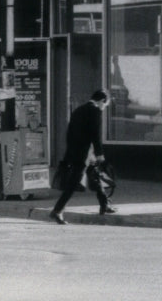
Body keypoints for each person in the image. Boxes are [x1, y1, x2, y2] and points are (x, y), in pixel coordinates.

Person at [49, 89, 116, 225]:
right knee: (74, 182)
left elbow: (69, 133)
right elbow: (95, 135)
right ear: (102, 101)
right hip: (84, 153)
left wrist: (71, 153)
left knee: (94, 175)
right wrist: (99, 154)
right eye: (105, 105)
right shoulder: (95, 111)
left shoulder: (78, 110)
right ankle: (57, 210)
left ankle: (105, 204)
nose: (104, 108)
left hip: (76, 152)